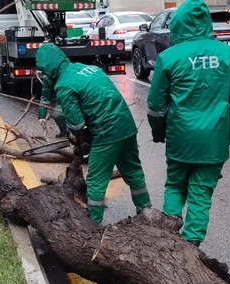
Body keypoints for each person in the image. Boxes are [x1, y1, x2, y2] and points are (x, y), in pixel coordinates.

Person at [147, 0, 230, 245]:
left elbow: (156, 107)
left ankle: (168, 237)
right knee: (201, 195)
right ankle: (191, 244)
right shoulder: (229, 56)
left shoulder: (169, 58)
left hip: (180, 140)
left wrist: (159, 133)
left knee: (175, 186)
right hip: (214, 142)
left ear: (179, 24)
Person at [35, 44, 151, 223]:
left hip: (106, 132)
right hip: (126, 125)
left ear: (48, 70)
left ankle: (92, 225)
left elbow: (76, 124)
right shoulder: (88, 68)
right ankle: (147, 213)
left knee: (96, 181)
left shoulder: (64, 85)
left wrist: (77, 140)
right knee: (133, 171)